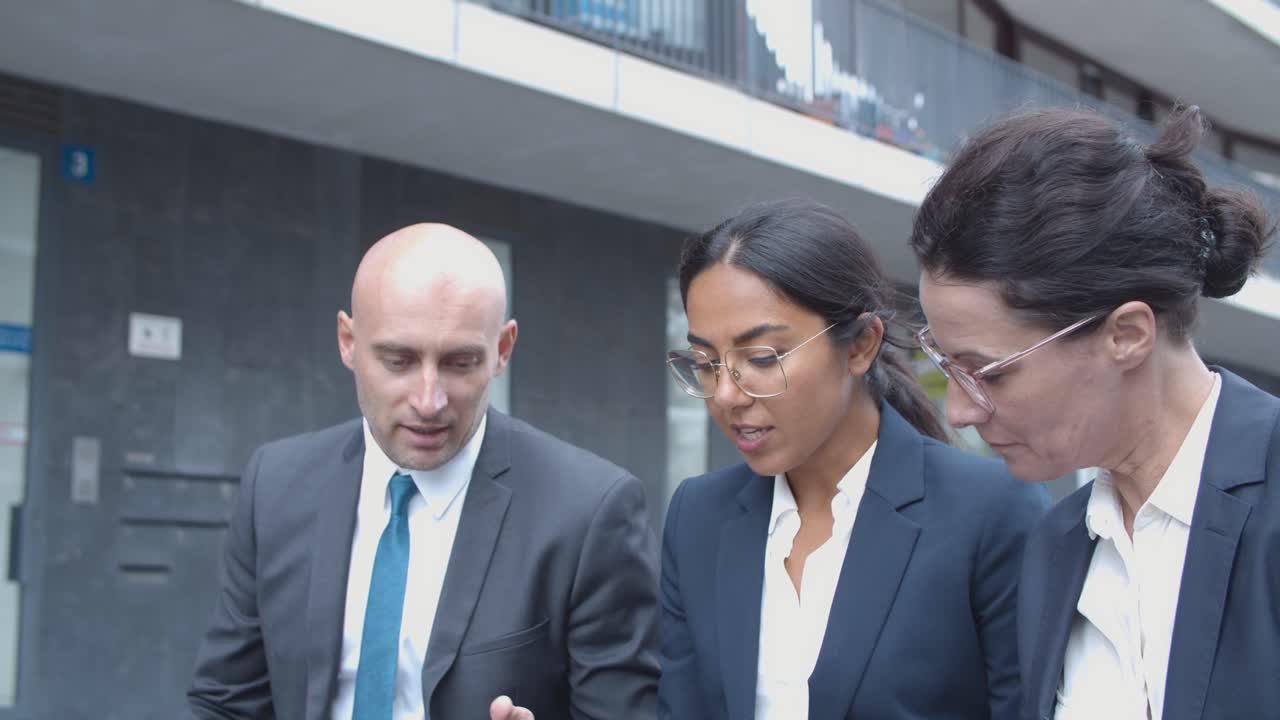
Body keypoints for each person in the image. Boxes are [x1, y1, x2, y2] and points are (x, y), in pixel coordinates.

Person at [187, 224, 660, 720]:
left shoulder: (588, 512)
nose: (429, 400)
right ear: (348, 341)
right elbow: (227, 703)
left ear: (502, 350)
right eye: (398, 361)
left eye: (459, 363)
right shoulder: (276, 486)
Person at [910, 106, 1278, 720]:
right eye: (948, 367)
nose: (958, 410)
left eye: (991, 371)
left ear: (1128, 334)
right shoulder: (1056, 545)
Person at [658, 199, 1049, 719]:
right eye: (706, 364)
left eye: (761, 359)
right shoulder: (699, 516)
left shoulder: (990, 513)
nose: (726, 395)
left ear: (861, 344)